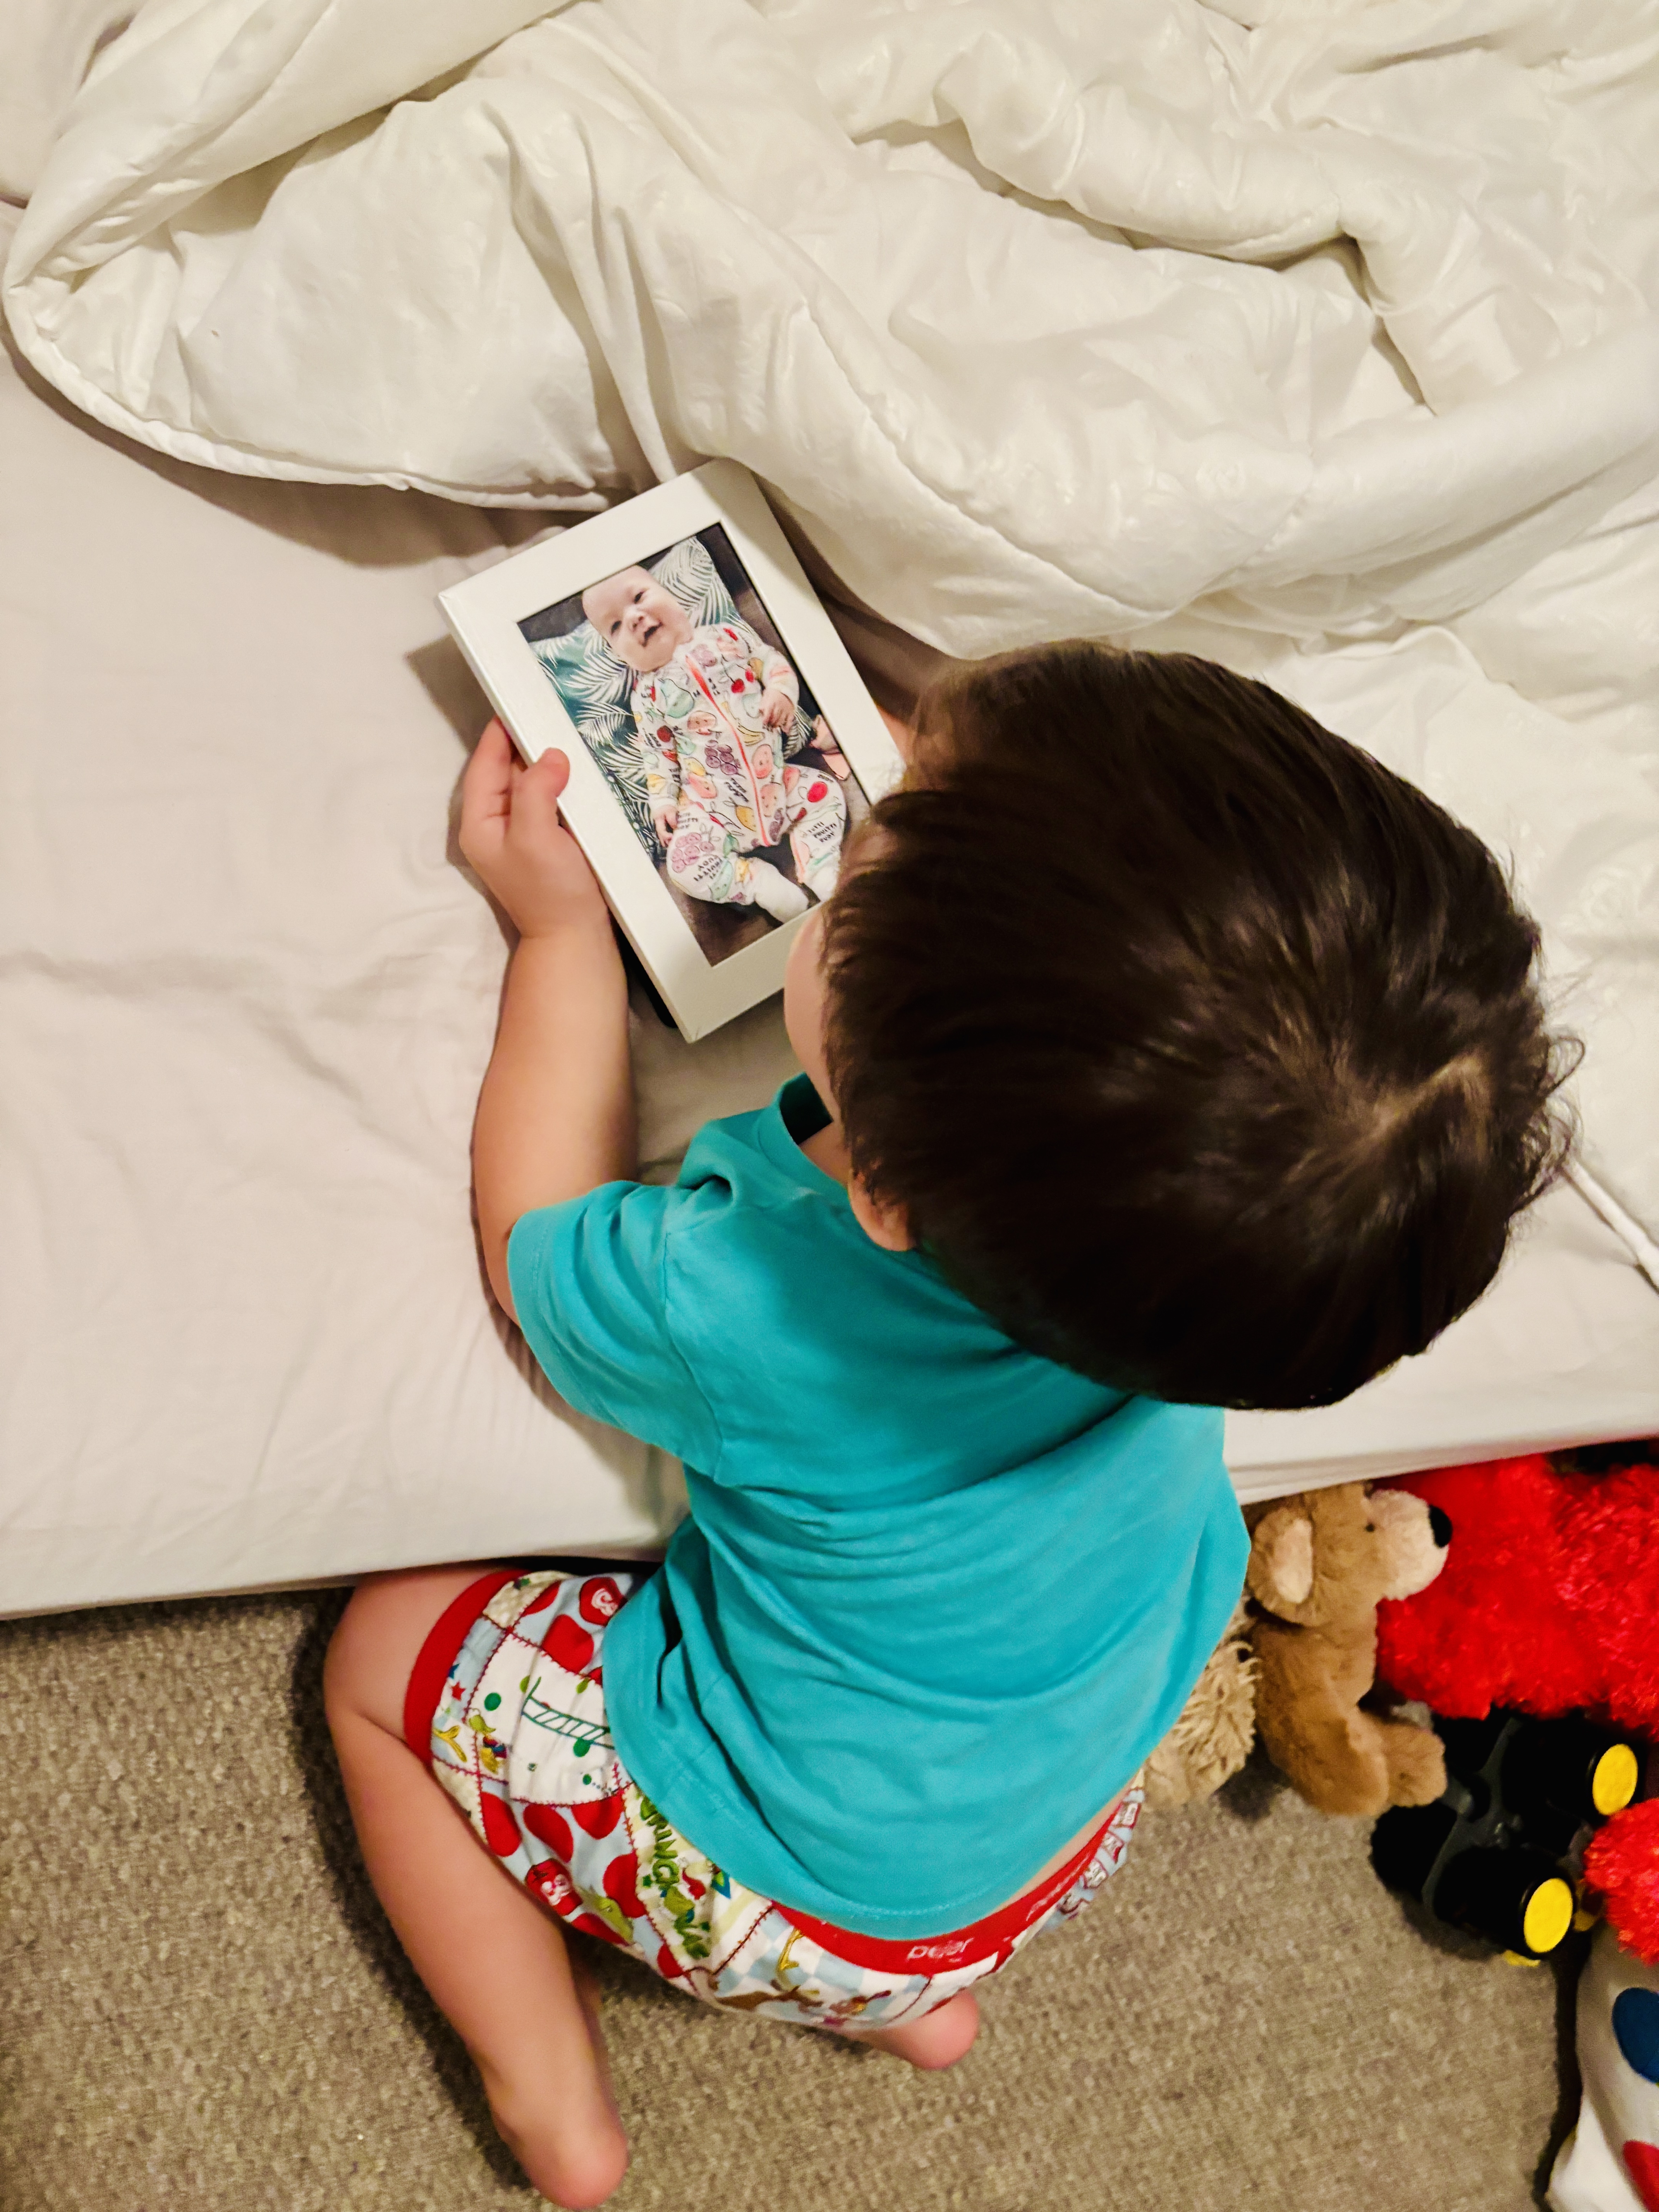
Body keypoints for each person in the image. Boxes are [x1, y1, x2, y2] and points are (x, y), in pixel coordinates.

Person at [325, 646, 1571, 2209]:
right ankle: (916, 1999)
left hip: (773, 1872)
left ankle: (554, 2096)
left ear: (891, 1196)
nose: (863, 819)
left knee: (385, 1655)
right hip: (1051, 1844)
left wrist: (557, 932)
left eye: (864, 856)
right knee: (926, 1849)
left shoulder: (748, 1298)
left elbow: (538, 1246)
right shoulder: (1216, 1262)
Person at [579, 564, 847, 923]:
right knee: (684, 866)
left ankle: (820, 865)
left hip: (777, 785)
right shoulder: (647, 696)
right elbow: (658, 755)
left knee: (825, 793)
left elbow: (773, 663)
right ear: (617, 652)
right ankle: (757, 882)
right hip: (713, 810)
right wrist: (661, 803)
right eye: (614, 627)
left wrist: (780, 691)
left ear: (671, 594)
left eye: (640, 597)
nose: (634, 618)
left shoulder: (727, 638)